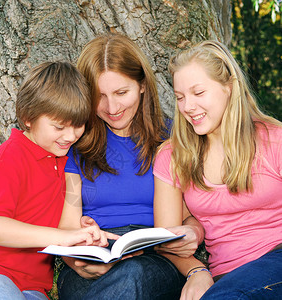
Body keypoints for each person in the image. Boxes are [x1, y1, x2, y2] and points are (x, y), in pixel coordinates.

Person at [57, 33, 204, 300]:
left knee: (134, 275)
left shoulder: (173, 138)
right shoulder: (75, 143)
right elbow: (68, 225)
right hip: (93, 260)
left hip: (157, 257)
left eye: (121, 92)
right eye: (99, 96)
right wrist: (77, 262)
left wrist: (193, 232)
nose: (112, 107)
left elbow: (194, 212)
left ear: (143, 85)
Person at [0, 61, 116, 299]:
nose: (71, 136)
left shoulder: (68, 162)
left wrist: (84, 235)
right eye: (59, 126)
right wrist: (63, 237)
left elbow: (64, 225)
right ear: (28, 118)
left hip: (32, 285)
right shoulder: (13, 155)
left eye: (79, 125)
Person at [153, 40, 282, 299]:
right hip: (227, 278)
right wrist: (196, 271)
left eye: (198, 93)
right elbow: (164, 241)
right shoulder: (172, 156)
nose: (187, 106)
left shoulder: (274, 140)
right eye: (180, 97)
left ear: (229, 88)